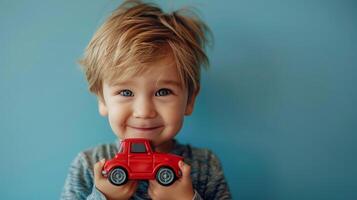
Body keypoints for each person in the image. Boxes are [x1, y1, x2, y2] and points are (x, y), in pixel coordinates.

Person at [61, 0, 231, 199]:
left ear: (190, 100)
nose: (143, 111)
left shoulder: (206, 166)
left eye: (163, 92)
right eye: (126, 93)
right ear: (102, 100)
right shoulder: (89, 165)